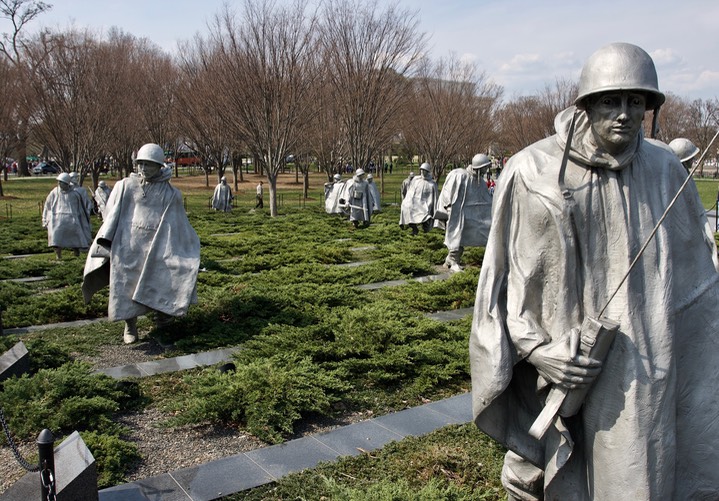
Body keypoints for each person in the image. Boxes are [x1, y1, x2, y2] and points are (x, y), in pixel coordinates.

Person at [469, 42, 719, 500]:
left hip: (643, 371)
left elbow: (699, 289)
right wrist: (538, 353)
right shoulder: (532, 172)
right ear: (585, 104)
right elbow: (501, 284)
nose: (624, 114)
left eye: (635, 102)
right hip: (558, 370)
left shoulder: (665, 170)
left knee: (635, 475)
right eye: (610, 100)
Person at [81, 143, 200, 344]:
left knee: (160, 281)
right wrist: (107, 242)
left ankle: (163, 317)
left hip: (158, 246)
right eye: (141, 164)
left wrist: (186, 247)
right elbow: (112, 214)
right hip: (128, 246)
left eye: (149, 164)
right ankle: (130, 325)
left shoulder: (171, 194)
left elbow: (178, 223)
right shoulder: (125, 186)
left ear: (159, 166)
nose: (143, 168)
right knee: (126, 286)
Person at [435, 154, 493, 272]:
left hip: (470, 215)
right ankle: (453, 261)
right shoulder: (459, 175)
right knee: (456, 233)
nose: (486, 170)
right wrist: (449, 208)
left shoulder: (480, 181)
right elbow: (448, 193)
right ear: (479, 166)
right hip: (456, 212)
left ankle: (450, 260)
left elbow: (486, 201)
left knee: (485, 228)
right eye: (485, 167)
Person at [42, 172, 92, 259]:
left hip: (72, 220)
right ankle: (58, 255)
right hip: (57, 220)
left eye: (62, 182)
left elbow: (81, 209)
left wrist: (83, 220)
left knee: (76, 237)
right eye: (59, 182)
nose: (59, 184)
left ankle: (76, 254)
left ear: (67, 183)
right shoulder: (54, 193)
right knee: (56, 239)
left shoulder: (75, 195)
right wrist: (45, 219)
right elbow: (48, 206)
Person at [399, 163, 438, 235]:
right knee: (406, 209)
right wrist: (406, 201)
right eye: (421, 170)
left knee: (425, 214)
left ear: (428, 171)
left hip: (425, 205)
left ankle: (426, 230)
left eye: (424, 170)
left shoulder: (432, 184)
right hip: (414, 203)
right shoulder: (416, 180)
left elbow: (433, 198)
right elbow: (410, 193)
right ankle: (414, 228)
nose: (422, 172)